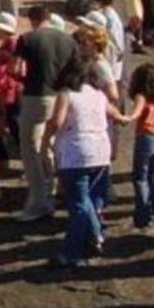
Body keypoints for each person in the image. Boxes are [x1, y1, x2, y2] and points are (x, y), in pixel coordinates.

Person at [39, 58, 113, 268]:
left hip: (76, 153)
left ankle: (73, 252)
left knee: (79, 204)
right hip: (101, 151)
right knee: (89, 200)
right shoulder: (99, 94)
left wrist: (45, 141)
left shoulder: (67, 94)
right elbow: (112, 112)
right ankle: (93, 237)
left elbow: (57, 122)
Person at [14, 6, 78, 223]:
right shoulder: (68, 39)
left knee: (30, 149)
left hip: (36, 95)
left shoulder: (27, 39)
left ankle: (38, 202)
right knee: (49, 146)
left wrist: (24, 80)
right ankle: (52, 192)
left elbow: (14, 68)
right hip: (61, 96)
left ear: (31, 20)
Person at [113, 62, 154, 229]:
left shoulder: (141, 96)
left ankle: (143, 215)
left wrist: (123, 118)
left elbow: (136, 114)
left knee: (140, 177)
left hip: (147, 137)